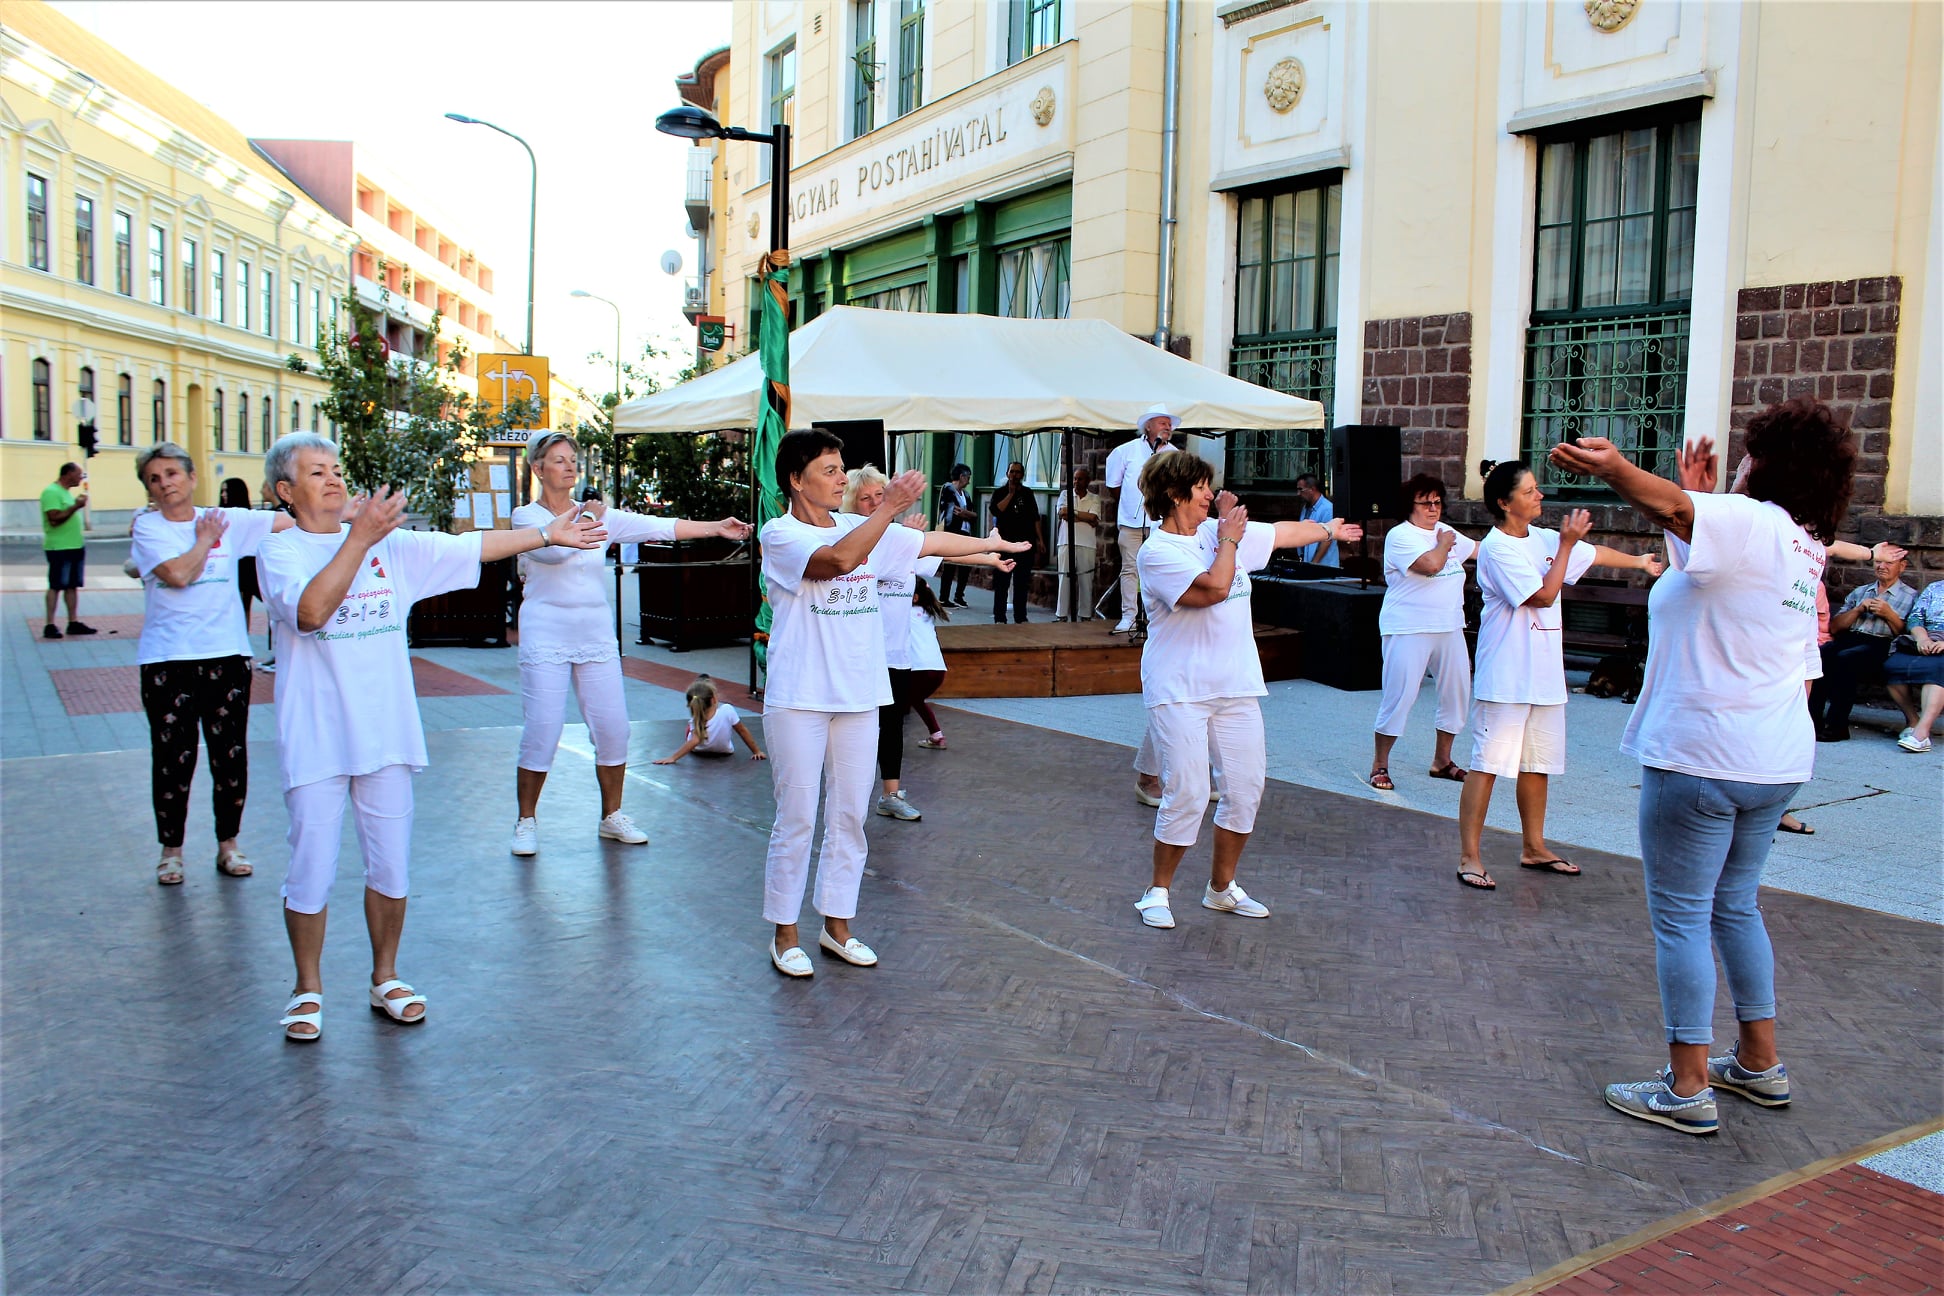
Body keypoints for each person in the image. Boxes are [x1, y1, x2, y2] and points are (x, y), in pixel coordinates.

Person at [1550, 399, 1856, 1135]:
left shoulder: (1751, 522)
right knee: (1735, 906)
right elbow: (1700, 552)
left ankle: (1686, 1089)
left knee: (1682, 918)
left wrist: (1618, 468)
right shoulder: (1802, 546)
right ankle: (1758, 1063)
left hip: (1702, 756)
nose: (1740, 460)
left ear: (1770, 464)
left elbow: (1680, 513)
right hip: (1772, 761)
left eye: (1752, 451)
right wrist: (1691, 497)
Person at [257, 432, 605, 1041]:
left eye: (336, 468)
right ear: (286, 491)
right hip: (317, 738)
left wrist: (547, 535)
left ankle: (385, 977)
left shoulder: (391, 547)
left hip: (387, 735)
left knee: (390, 865)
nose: (334, 479)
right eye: (316, 473)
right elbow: (310, 614)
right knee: (310, 868)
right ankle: (306, 988)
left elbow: (472, 545)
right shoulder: (280, 551)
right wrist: (359, 539)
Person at [759, 432, 1028, 977]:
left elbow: (926, 542)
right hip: (800, 697)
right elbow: (838, 561)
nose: (841, 478)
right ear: (796, 480)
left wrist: (991, 544)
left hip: (860, 695)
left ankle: (837, 926)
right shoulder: (780, 533)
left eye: (841, 469)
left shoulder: (864, 527)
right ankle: (785, 934)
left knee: (850, 816)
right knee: (796, 817)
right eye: (830, 470)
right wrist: (888, 509)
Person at [1130, 450, 1361, 931]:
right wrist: (1229, 538)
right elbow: (1214, 588)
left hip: (1235, 685)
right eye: (1201, 487)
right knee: (1189, 792)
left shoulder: (1217, 533)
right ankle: (1157, 891)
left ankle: (1221, 889)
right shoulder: (1158, 552)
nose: (1210, 494)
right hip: (1180, 689)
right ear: (1174, 493)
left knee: (1245, 790)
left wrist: (1327, 530)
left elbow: (1281, 533)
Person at [508, 430, 750, 857]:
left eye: (572, 459)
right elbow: (554, 550)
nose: (569, 467)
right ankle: (526, 821)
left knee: (614, 729)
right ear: (538, 468)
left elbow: (658, 526)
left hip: (595, 635)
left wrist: (716, 527)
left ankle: (612, 816)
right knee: (543, 729)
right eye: (559, 460)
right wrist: (590, 518)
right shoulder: (525, 517)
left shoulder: (596, 514)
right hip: (546, 634)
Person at [1454, 459, 1663, 890]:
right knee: (1487, 764)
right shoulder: (1498, 548)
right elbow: (1544, 595)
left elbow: (1595, 553)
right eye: (1530, 491)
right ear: (1504, 503)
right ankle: (1469, 856)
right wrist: (1566, 544)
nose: (1540, 496)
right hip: (1507, 677)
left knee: (1538, 765)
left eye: (1537, 488)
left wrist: (1640, 561)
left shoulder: (1545, 538)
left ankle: (1533, 847)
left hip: (1546, 677)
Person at [130, 444, 296, 885]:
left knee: (230, 756)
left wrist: (341, 511)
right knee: (172, 759)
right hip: (167, 661)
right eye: (154, 478)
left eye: (171, 473)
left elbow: (292, 521)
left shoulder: (228, 519)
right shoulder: (148, 528)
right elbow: (177, 575)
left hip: (225, 657)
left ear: (191, 476)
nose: (164, 483)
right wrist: (205, 540)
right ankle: (171, 851)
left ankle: (229, 844)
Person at [846, 465, 1016, 821]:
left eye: (880, 496)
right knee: (855, 729)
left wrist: (989, 557)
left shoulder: (899, 540)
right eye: (865, 498)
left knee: (892, 725)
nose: (874, 503)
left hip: (896, 654)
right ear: (851, 504)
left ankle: (890, 794)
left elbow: (943, 549)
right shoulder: (849, 544)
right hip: (859, 656)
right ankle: (846, 797)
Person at [1371, 474, 1477, 790]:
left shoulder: (1447, 532)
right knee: (1400, 695)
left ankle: (1442, 761)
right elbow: (1430, 565)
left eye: (1437, 502)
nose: (1433, 508)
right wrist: (1444, 544)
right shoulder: (1400, 535)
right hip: (1409, 627)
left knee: (1457, 693)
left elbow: (1480, 551)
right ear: (1410, 505)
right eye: (1425, 503)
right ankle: (1380, 764)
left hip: (1449, 625)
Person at [1810, 549, 1915, 741]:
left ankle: (1837, 726)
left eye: (1889, 563)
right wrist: (1858, 610)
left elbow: (1906, 634)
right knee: (1822, 655)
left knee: (1847, 660)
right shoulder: (1861, 592)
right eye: (1878, 562)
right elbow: (1835, 627)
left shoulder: (1911, 596)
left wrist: (1889, 615)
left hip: (1883, 643)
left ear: (1902, 566)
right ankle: (1812, 722)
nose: (1882, 566)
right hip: (1851, 638)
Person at [1101, 405, 1177, 632]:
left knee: (1161, 568)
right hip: (1131, 522)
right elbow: (1114, 485)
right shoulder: (1126, 451)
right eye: (1163, 423)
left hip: (1162, 523)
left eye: (1169, 424)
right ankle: (1129, 616)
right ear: (1148, 426)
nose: (1168, 427)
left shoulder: (1175, 455)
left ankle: (1157, 617)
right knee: (1129, 569)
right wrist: (1130, 504)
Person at [1886, 579, 1944, 754]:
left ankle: (1921, 734)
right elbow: (1915, 617)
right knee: (1893, 667)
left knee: (1937, 668)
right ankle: (1913, 721)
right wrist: (1922, 638)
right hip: (1927, 637)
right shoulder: (1935, 588)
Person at [654, 675, 765, 763]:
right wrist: (756, 751)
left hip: (699, 750)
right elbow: (742, 731)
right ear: (713, 699)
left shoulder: (696, 719)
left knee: (692, 727)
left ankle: (691, 728)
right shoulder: (728, 710)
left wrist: (673, 758)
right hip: (725, 751)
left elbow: (694, 741)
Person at [40, 462, 95, 639]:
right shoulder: (51, 492)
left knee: (72, 585)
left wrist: (75, 505)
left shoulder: (65, 492)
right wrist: (76, 506)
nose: (81, 478)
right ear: (68, 474)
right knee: (56, 585)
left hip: (74, 546)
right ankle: (50, 624)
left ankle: (73, 622)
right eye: (79, 474)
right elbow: (54, 519)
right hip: (59, 547)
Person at [989, 460, 1043, 624]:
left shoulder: (1027, 493)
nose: (1014, 475)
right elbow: (996, 510)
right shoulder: (1000, 492)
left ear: (1022, 475)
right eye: (1012, 471)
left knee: (1021, 582)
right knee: (1002, 582)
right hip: (1004, 544)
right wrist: (1010, 494)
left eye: (1018, 472)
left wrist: (1040, 540)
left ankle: (1020, 617)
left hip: (1024, 543)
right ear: (1007, 474)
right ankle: (1000, 617)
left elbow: (1035, 517)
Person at [908, 576, 951, 749]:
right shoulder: (927, 613)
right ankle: (936, 736)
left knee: (903, 698)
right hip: (938, 669)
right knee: (914, 699)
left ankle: (881, 736)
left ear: (914, 597)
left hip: (919, 669)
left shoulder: (906, 613)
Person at [1056, 466, 1101, 620]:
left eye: (1080, 479)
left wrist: (1073, 513)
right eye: (1075, 478)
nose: (1076, 482)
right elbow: (1062, 513)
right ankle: (1061, 614)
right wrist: (1085, 517)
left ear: (1087, 481)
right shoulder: (1065, 494)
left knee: (1086, 580)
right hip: (1066, 542)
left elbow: (1093, 518)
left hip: (1087, 543)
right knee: (1064, 578)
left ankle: (1085, 614)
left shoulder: (1094, 498)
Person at [936, 464, 976, 607]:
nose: (969, 481)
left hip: (965, 532)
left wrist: (966, 514)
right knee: (950, 566)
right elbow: (951, 512)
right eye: (968, 477)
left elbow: (973, 514)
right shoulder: (948, 489)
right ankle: (944, 597)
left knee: (966, 565)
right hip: (952, 532)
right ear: (961, 476)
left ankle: (959, 596)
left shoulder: (966, 495)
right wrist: (966, 514)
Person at [1294, 473, 1339, 567]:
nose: (1298, 493)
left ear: (1312, 489)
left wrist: (1314, 563)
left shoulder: (1327, 509)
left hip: (1324, 566)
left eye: (1301, 489)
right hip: (1308, 563)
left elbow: (1327, 540)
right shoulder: (1306, 508)